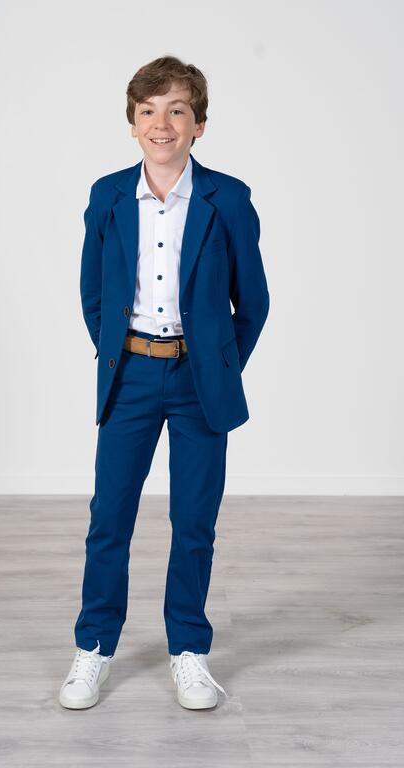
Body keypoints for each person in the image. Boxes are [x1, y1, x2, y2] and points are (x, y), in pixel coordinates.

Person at [59, 55, 270, 711]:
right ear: (132, 123)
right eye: (148, 111)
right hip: (130, 375)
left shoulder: (227, 198)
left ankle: (189, 651)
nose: (162, 123)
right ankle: (94, 647)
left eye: (177, 110)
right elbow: (93, 293)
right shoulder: (107, 195)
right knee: (109, 517)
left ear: (198, 124)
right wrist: (119, 355)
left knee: (194, 521)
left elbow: (253, 302)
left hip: (199, 382)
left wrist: (216, 364)